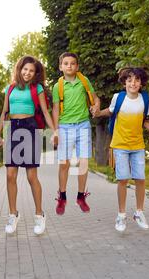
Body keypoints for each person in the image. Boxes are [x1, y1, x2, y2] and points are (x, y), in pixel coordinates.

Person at [95, 67, 149, 232]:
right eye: (129, 80)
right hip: (120, 145)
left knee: (140, 179)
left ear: (141, 82)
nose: (133, 83)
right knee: (123, 179)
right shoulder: (118, 97)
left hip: (138, 145)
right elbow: (109, 112)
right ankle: (121, 215)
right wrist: (97, 113)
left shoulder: (144, 99)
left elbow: (144, 120)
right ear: (124, 82)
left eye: (137, 80)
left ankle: (139, 213)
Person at [0, 55, 55, 235]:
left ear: (35, 73)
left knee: (31, 176)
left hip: (30, 128)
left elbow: (45, 112)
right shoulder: (10, 88)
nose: (27, 73)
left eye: (31, 70)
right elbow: (4, 112)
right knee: (10, 175)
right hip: (13, 129)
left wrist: (54, 131)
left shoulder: (37, 88)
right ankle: (13, 214)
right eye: (25, 69)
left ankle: (39, 215)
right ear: (19, 69)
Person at [52, 52, 100, 215]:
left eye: (72, 63)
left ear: (77, 66)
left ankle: (81, 196)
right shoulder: (57, 86)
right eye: (66, 63)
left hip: (83, 125)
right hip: (65, 127)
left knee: (83, 162)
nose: (69, 66)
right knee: (64, 164)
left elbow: (95, 98)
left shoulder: (84, 81)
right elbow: (56, 109)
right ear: (61, 67)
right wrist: (55, 130)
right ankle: (62, 196)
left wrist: (96, 106)